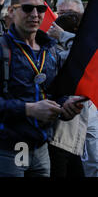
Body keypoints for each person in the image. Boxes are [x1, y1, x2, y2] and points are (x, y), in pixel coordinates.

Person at [0, 0, 85, 177]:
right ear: (12, 11)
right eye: (27, 8)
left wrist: (66, 106)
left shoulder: (50, 51)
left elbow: (55, 95)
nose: (35, 13)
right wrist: (29, 109)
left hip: (40, 149)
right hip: (5, 149)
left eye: (40, 8)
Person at [46, 11, 88, 177]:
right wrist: (65, 36)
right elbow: (81, 58)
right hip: (58, 139)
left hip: (75, 141)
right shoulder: (55, 54)